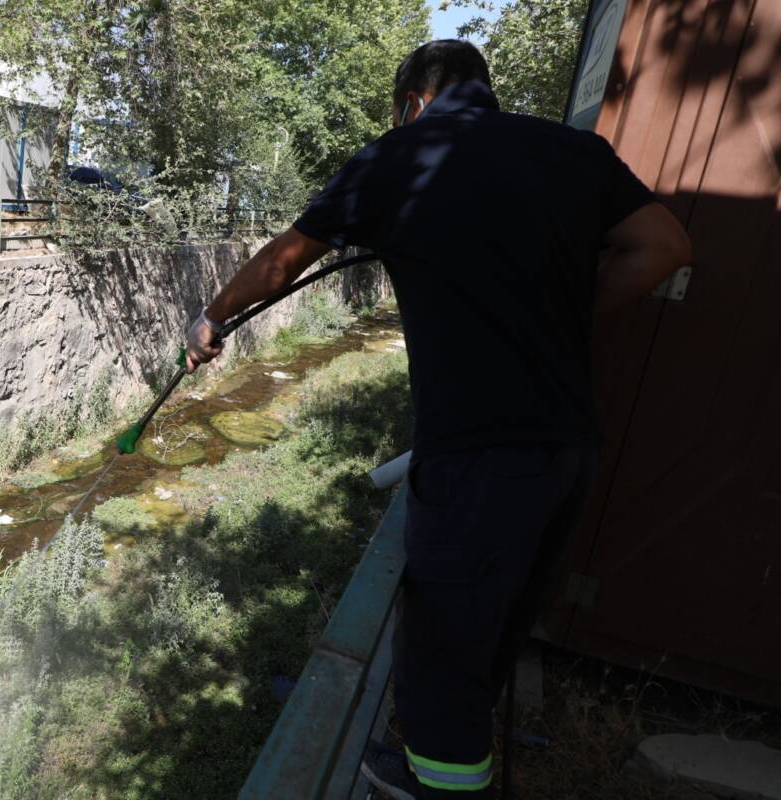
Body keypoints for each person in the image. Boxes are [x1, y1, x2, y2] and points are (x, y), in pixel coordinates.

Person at [185, 40, 690, 799]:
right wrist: (560, 312)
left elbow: (285, 259)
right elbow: (665, 246)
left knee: (441, 657)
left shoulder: (399, 154)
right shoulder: (573, 150)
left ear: (413, 101)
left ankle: (440, 781)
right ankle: (446, 762)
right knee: (491, 633)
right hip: (568, 450)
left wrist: (211, 316)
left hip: (478, 455)